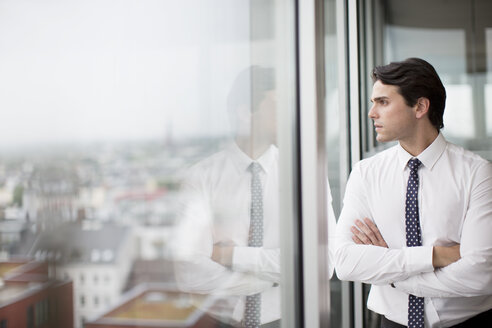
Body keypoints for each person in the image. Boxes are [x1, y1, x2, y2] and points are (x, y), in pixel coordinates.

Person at [334, 58, 492, 328]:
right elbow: (345, 262)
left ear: (420, 106)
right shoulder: (365, 174)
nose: (372, 112)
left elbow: (481, 273)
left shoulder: (477, 173)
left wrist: (392, 276)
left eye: (382, 102)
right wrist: (435, 256)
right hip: (391, 322)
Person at [173, 66, 336, 328]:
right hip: (220, 321)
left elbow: (323, 264)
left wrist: (233, 257)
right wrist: (281, 275)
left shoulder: (306, 176)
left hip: (289, 318)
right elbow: (189, 273)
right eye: (278, 105)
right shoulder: (201, 177)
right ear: (246, 112)